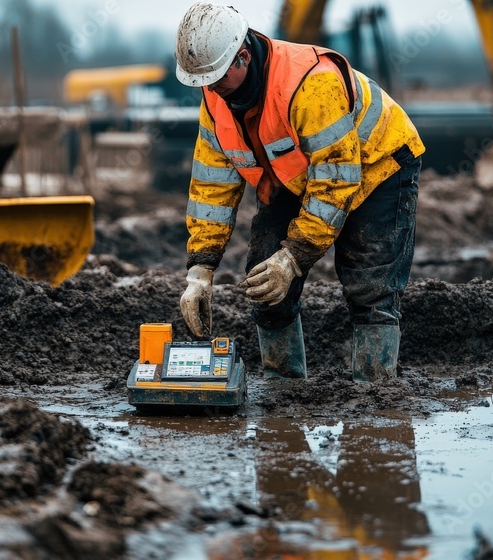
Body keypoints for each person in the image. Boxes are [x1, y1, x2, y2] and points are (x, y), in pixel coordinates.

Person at [174, 2, 425, 382]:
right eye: (202, 82)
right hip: (298, 172)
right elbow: (212, 185)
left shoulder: (311, 83)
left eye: (216, 78)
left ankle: (375, 393)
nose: (210, 89)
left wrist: (293, 258)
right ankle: (284, 390)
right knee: (265, 283)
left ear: (243, 57)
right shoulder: (215, 97)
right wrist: (200, 270)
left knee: (371, 286)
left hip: (379, 165)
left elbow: (335, 180)